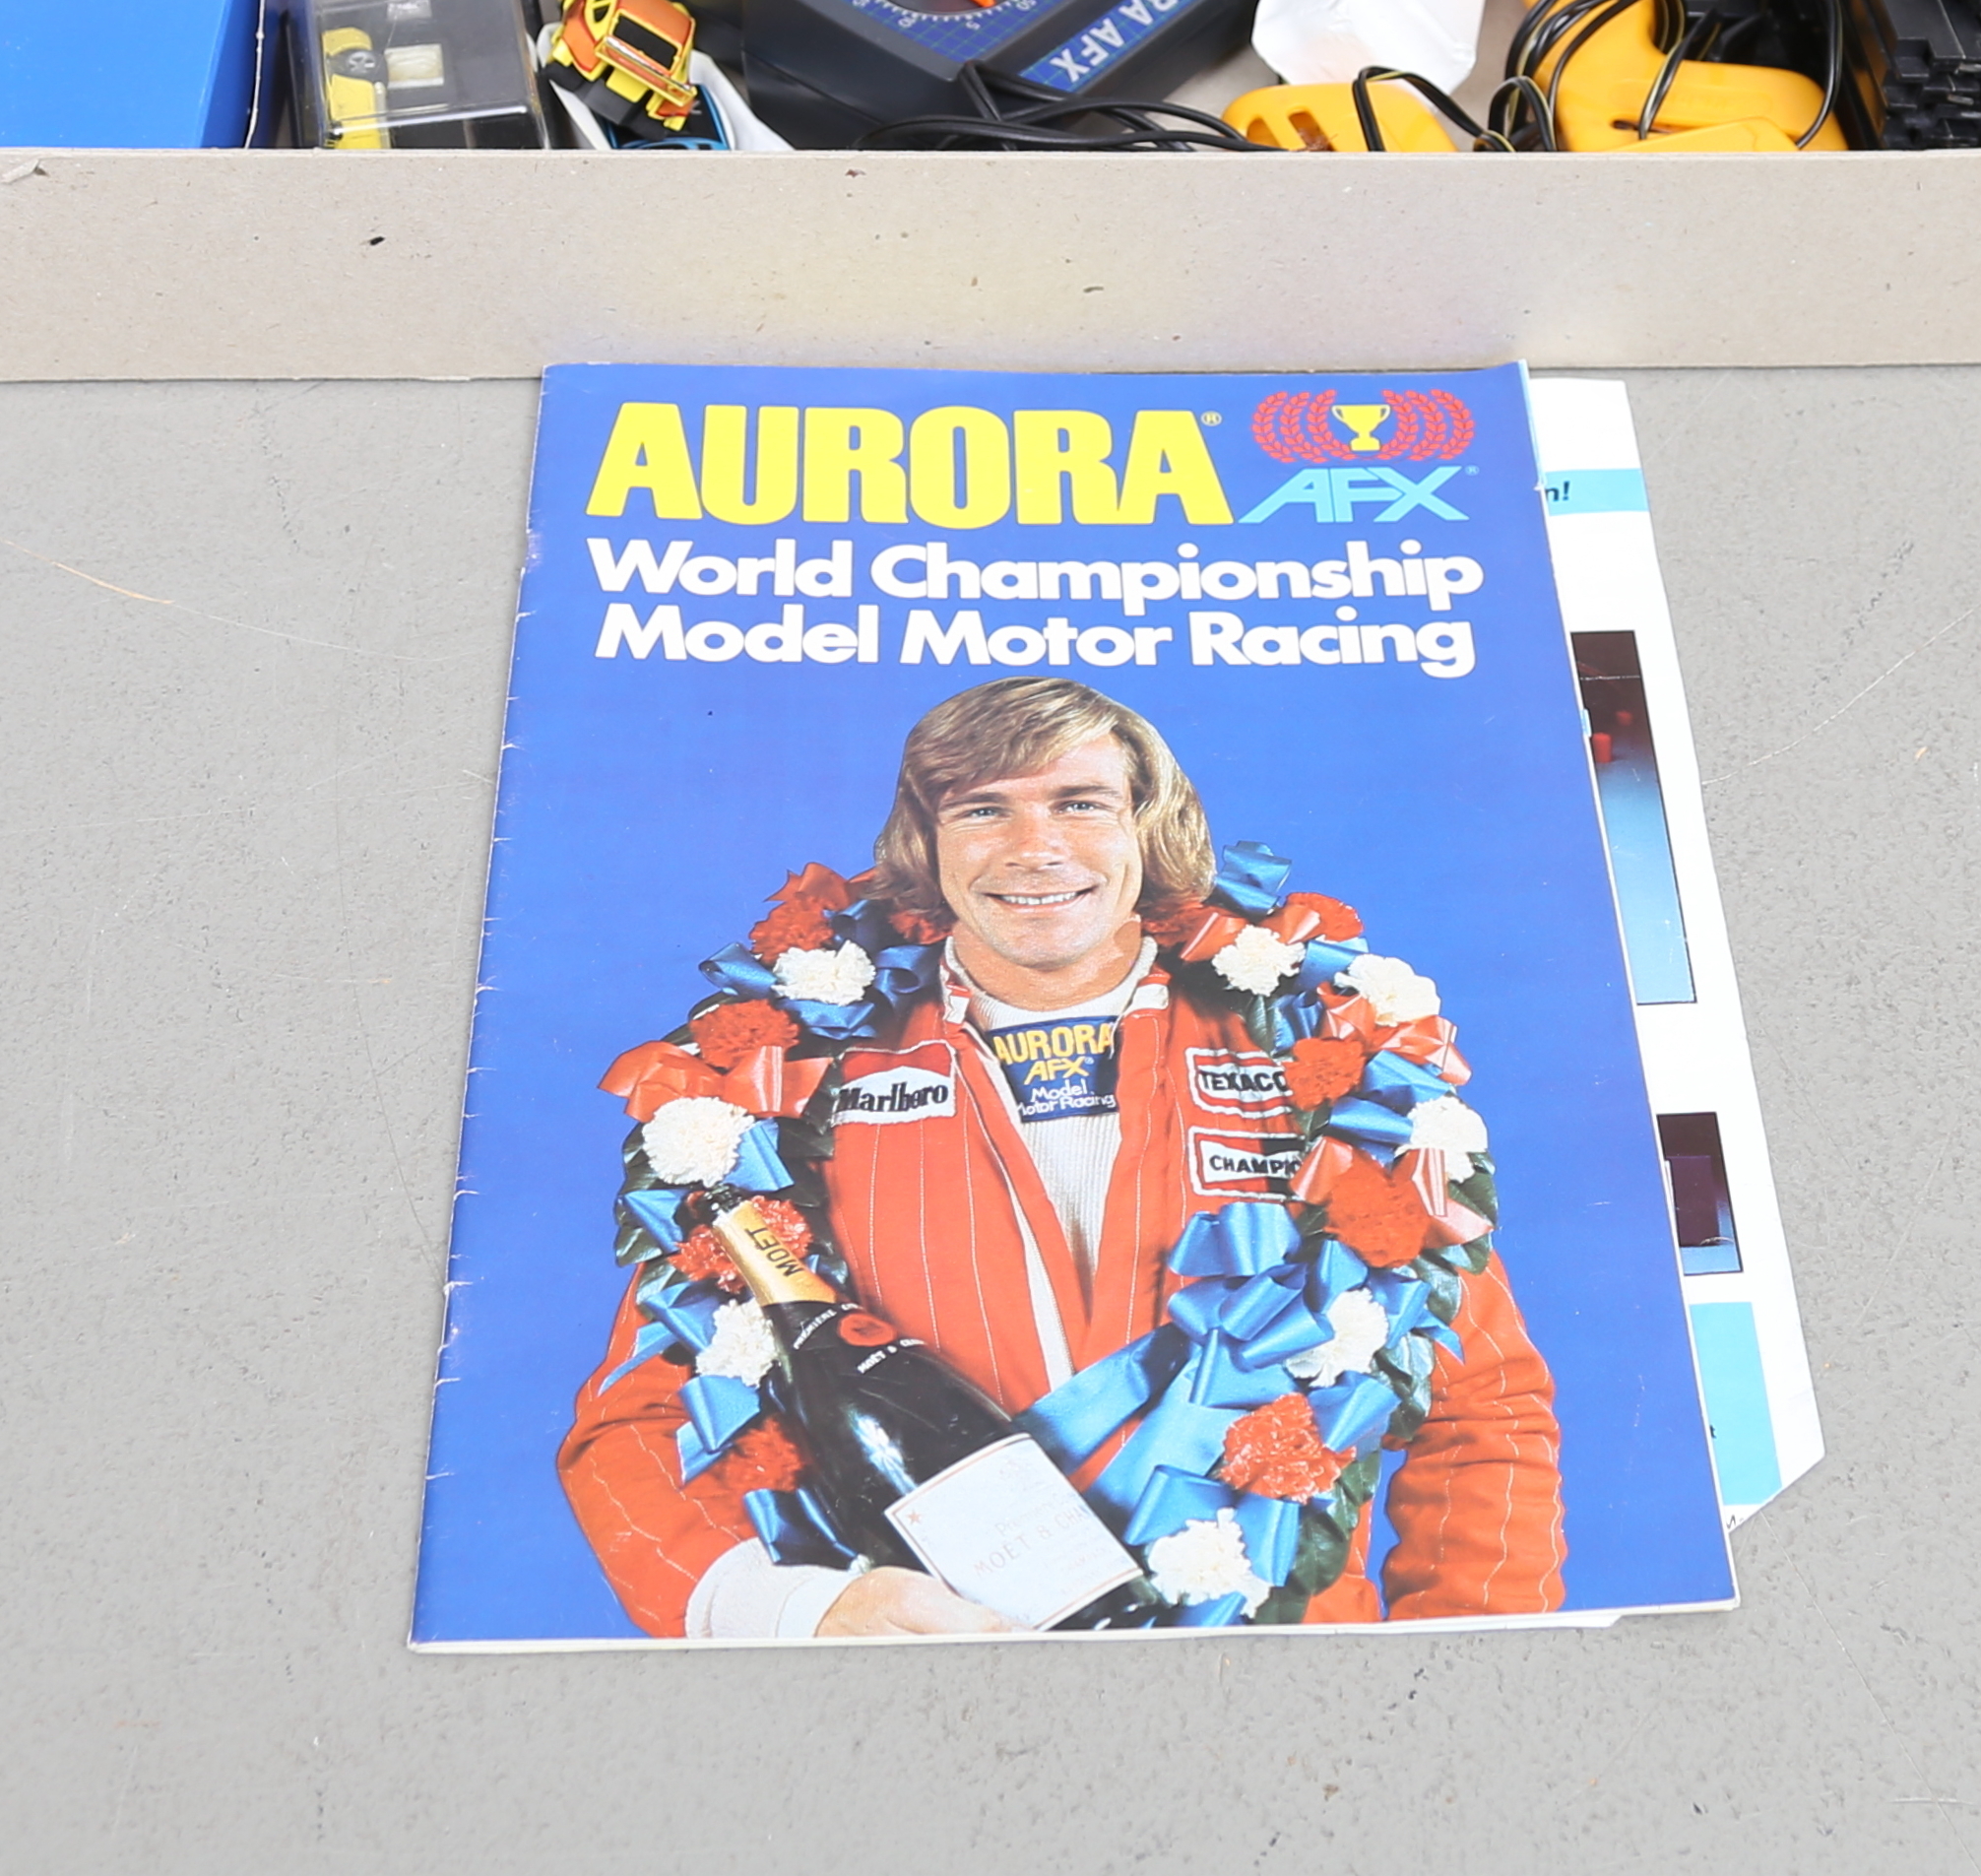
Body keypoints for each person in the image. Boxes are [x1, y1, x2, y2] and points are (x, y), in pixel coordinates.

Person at [559, 676, 1566, 1638]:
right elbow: (636, 1423)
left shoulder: (1316, 1057)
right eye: (982, 810)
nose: (1035, 849)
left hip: (1275, 1675)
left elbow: (1482, 1408)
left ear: (1148, 825)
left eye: (1080, 803)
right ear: (926, 842)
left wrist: (1459, 1670)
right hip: (928, 1678)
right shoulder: (781, 1082)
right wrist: (798, 1610)